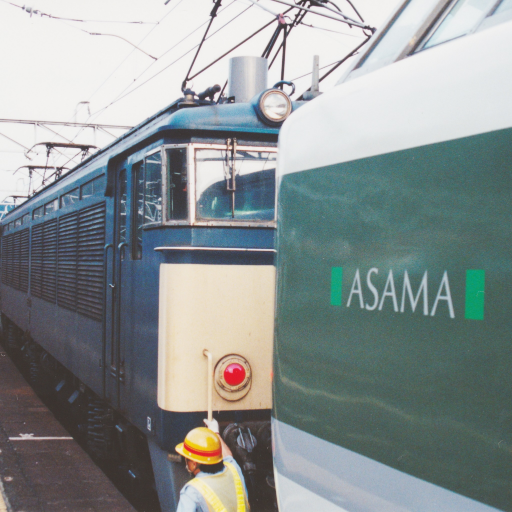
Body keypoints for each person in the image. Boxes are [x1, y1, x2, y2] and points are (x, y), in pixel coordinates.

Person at [175, 418, 250, 512]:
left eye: (187, 459)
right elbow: (228, 456)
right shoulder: (234, 469)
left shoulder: (192, 491)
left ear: (194, 464)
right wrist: (215, 432)